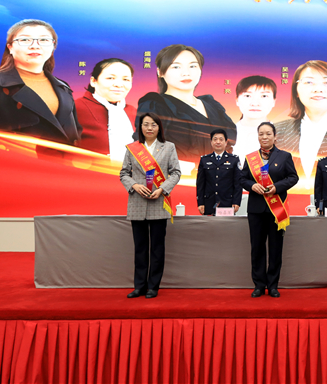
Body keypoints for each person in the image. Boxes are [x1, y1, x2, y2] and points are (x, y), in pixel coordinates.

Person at [0, 19, 81, 145]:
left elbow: (75, 134)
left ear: (53, 47)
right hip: (12, 159)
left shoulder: (63, 88)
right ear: (10, 47)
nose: (35, 46)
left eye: (44, 40)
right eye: (25, 40)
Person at [137, 45, 236, 171]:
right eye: (176, 67)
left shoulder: (212, 105)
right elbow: (145, 152)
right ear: (160, 72)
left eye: (193, 66)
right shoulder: (155, 105)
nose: (186, 73)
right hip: (180, 179)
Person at [119, 112, 181, 299]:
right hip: (137, 203)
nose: (149, 128)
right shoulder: (132, 148)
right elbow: (124, 173)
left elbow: (176, 172)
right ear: (140, 127)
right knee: (140, 248)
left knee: (157, 248)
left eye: (153, 124)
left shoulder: (168, 147)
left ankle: (153, 286)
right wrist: (134, 186)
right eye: (146, 124)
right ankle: (139, 286)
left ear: (159, 127)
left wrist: (162, 189)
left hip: (159, 202)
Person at [240, 122, 299, 298]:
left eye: (268, 134)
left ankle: (273, 285)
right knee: (257, 248)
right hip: (256, 209)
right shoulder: (250, 158)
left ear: (275, 136)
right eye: (261, 134)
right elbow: (242, 179)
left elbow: (293, 177)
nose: (264, 137)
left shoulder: (284, 156)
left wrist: (277, 187)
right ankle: (259, 285)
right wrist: (252, 185)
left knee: (275, 248)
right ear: (258, 136)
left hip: (276, 210)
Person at [75, 58, 136, 160]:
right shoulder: (75, 108)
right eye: (110, 78)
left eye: (126, 79)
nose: (119, 84)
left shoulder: (133, 112)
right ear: (93, 81)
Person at [232, 76, 277, 164]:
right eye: (247, 96)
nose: (255, 103)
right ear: (237, 100)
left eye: (264, 96)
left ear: (273, 101)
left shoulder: (283, 136)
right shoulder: (226, 134)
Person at [197, 129, 242, 215]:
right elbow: (200, 184)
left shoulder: (234, 159)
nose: (218, 142)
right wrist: (200, 202)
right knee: (209, 224)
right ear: (211, 142)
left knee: (226, 224)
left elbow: (238, 183)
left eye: (221, 139)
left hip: (227, 202)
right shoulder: (204, 160)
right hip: (209, 203)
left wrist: (236, 202)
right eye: (215, 139)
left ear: (226, 142)